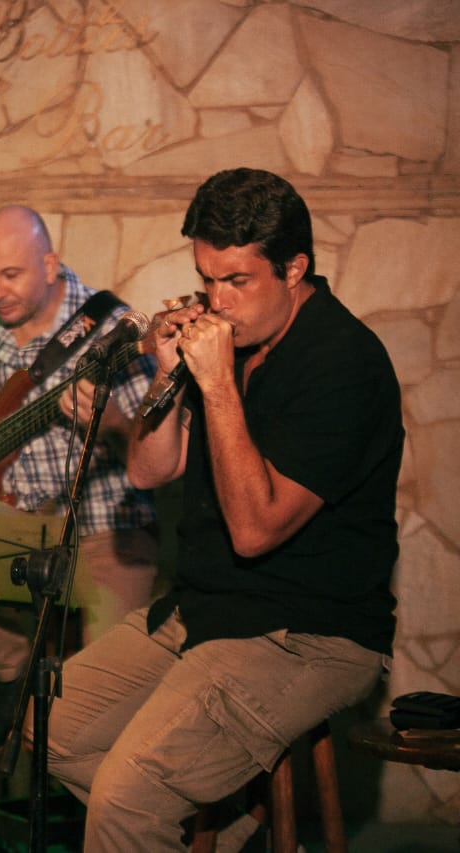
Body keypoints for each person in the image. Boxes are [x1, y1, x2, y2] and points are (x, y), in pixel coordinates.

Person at [42, 168, 403, 850]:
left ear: (294, 267)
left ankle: (160, 819)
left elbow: (256, 528)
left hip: (308, 631)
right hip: (207, 608)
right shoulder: (229, 342)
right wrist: (167, 375)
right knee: (45, 731)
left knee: (125, 796)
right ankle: (226, 830)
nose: (217, 300)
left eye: (237, 280)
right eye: (208, 279)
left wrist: (218, 385)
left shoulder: (345, 363)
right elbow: (151, 468)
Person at [0, 204, 160, 735]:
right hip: (12, 529)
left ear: (50, 266)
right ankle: (11, 675)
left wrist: (112, 418)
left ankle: (93, 773)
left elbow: (156, 450)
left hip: (103, 534)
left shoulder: (115, 328)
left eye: (10, 275)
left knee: (99, 705)